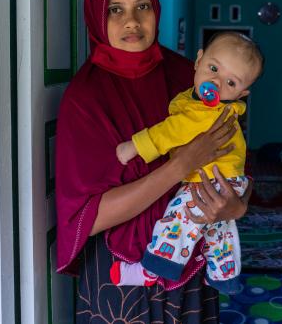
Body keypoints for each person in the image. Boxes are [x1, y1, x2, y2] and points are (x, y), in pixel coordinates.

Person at [55, 0, 251, 324]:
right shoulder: (85, 98)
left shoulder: (191, 80)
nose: (132, 21)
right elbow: (89, 215)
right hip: (119, 276)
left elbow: (236, 166)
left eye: (142, 6)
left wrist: (235, 209)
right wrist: (182, 164)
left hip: (191, 265)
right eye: (115, 9)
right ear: (97, 16)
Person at [111, 32, 263, 294]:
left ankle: (151, 270)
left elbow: (171, 131)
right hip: (229, 182)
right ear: (198, 60)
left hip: (209, 182)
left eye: (230, 82)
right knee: (218, 231)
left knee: (178, 220)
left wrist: (134, 147)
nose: (215, 82)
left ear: (242, 92)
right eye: (213, 69)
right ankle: (224, 276)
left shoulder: (205, 112)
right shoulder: (197, 101)